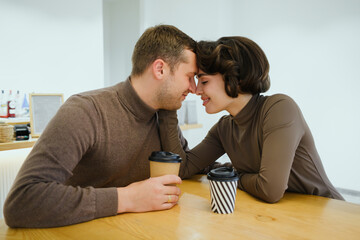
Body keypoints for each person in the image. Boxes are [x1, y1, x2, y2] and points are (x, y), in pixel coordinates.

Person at [3, 25, 198, 228]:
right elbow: (22, 201)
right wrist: (127, 198)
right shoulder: (85, 111)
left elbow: (187, 166)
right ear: (160, 69)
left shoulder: (162, 115)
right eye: (189, 76)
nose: (194, 88)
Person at [158, 36, 344, 203]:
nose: (197, 90)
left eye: (204, 81)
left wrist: (233, 174)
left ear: (235, 79)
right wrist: (168, 106)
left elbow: (270, 189)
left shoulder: (279, 108)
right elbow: (182, 169)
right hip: (282, 219)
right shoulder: (224, 128)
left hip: (329, 215)